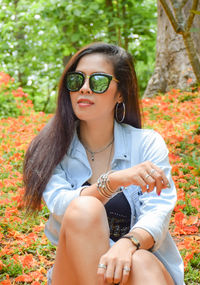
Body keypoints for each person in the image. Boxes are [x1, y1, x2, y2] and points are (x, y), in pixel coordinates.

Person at [23, 42, 184, 285]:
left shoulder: (147, 143)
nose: (84, 89)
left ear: (121, 93)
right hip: (75, 273)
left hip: (140, 268)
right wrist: (114, 180)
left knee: (140, 261)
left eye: (98, 81)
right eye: (77, 80)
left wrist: (127, 243)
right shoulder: (51, 148)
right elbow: (61, 206)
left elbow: (157, 213)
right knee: (84, 209)